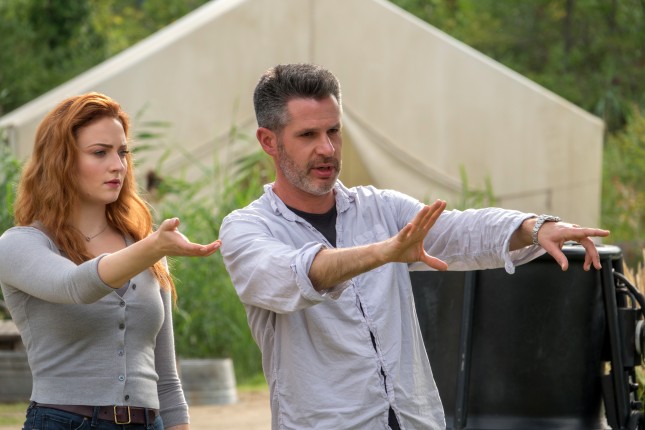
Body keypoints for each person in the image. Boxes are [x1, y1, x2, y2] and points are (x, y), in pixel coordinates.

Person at [219, 63, 610, 429]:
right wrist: (383, 252)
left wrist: (533, 227)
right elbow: (295, 275)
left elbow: (460, 230)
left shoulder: (381, 208)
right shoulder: (247, 229)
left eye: (333, 131)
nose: (328, 149)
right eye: (308, 135)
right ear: (269, 141)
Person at [0, 92, 221, 430]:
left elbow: (166, 379)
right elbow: (75, 286)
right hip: (63, 422)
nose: (118, 165)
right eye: (100, 152)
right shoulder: (20, 244)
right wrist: (153, 247)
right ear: (61, 160)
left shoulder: (145, 246)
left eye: (122, 152)